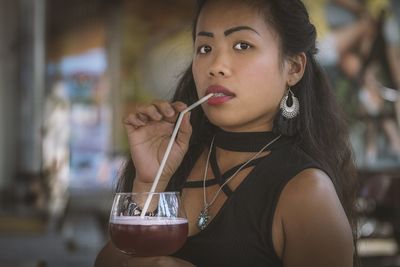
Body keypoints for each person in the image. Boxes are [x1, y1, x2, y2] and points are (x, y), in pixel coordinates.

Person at [95, 0, 358, 266]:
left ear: (293, 68)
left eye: (242, 45)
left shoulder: (306, 192)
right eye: (205, 48)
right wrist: (150, 183)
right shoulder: (179, 160)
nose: (216, 65)